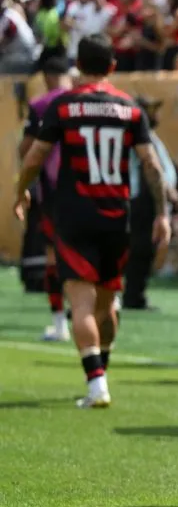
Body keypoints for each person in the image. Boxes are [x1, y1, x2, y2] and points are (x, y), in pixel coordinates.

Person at [13, 33, 172, 408]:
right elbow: (151, 165)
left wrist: (21, 190)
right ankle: (104, 367)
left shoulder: (64, 107)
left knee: (81, 304)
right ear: (113, 66)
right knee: (108, 302)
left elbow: (35, 156)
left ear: (78, 66)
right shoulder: (131, 108)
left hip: (74, 215)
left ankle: (96, 384)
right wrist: (162, 213)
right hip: (118, 215)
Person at [19, 56, 71, 342]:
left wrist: (24, 184)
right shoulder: (83, 100)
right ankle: (106, 305)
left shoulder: (42, 105)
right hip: (92, 189)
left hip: (55, 188)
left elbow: (27, 148)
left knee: (54, 255)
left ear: (47, 76)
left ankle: (60, 321)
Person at [123, 96, 178, 310]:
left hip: (145, 200)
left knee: (143, 249)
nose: (156, 116)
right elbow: (151, 167)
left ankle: (135, 293)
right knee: (140, 249)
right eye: (152, 111)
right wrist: (169, 190)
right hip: (141, 200)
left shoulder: (148, 136)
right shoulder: (140, 137)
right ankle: (133, 295)